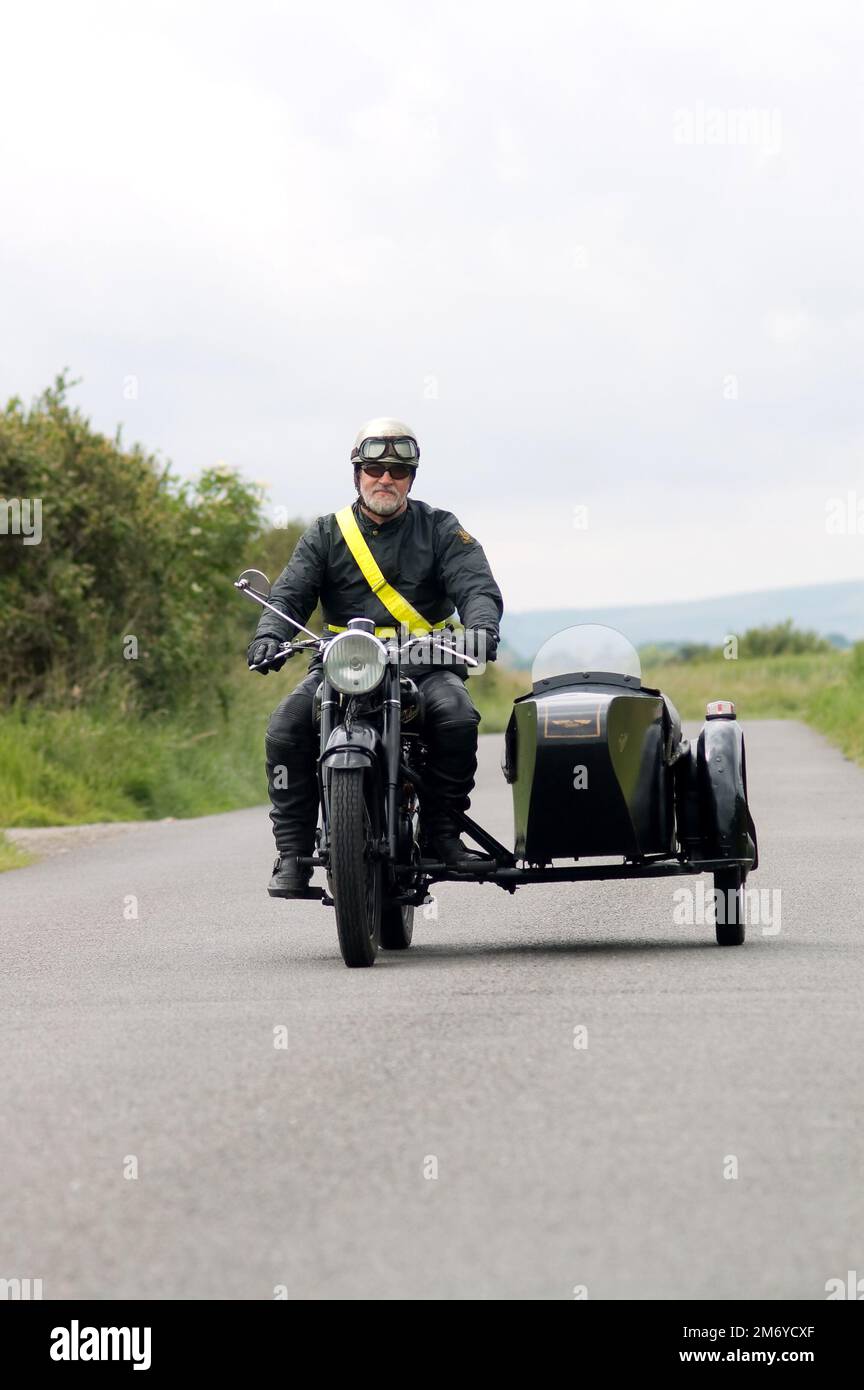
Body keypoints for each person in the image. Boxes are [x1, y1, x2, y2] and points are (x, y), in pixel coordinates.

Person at [246, 417, 504, 897]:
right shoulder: (326, 533)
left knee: (457, 718)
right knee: (285, 728)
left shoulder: (442, 528)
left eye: (397, 470)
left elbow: (476, 585)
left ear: (411, 477)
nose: (385, 478)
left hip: (424, 663)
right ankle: (294, 853)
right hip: (344, 667)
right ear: (357, 473)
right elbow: (289, 594)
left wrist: (482, 628)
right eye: (374, 468)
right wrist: (270, 634)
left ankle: (442, 838)